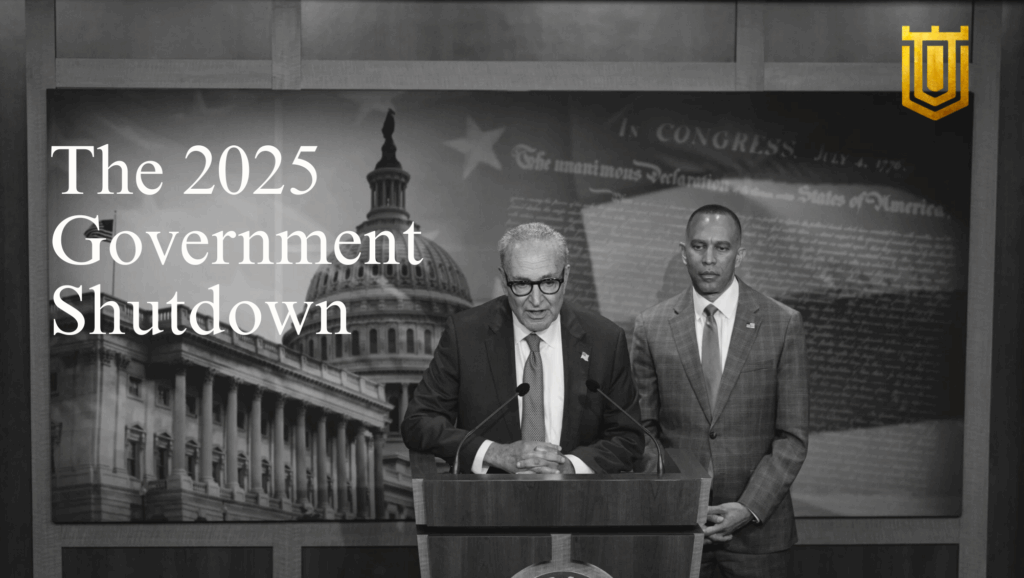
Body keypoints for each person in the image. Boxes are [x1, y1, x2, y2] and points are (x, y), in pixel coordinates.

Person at [631, 205, 809, 577]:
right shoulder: (651, 326)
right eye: (699, 247)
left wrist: (748, 507)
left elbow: (791, 437)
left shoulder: (782, 323)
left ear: (739, 254)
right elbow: (643, 432)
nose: (709, 260)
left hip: (759, 536)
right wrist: (681, 500)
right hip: (677, 528)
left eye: (722, 248)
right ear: (683, 252)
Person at [402, 222, 644, 475]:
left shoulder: (604, 340)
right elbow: (419, 422)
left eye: (549, 282)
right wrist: (495, 453)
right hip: (487, 503)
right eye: (521, 284)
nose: (536, 300)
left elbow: (628, 437)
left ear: (567, 276)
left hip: (580, 503)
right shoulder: (466, 336)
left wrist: (570, 466)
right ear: (504, 281)